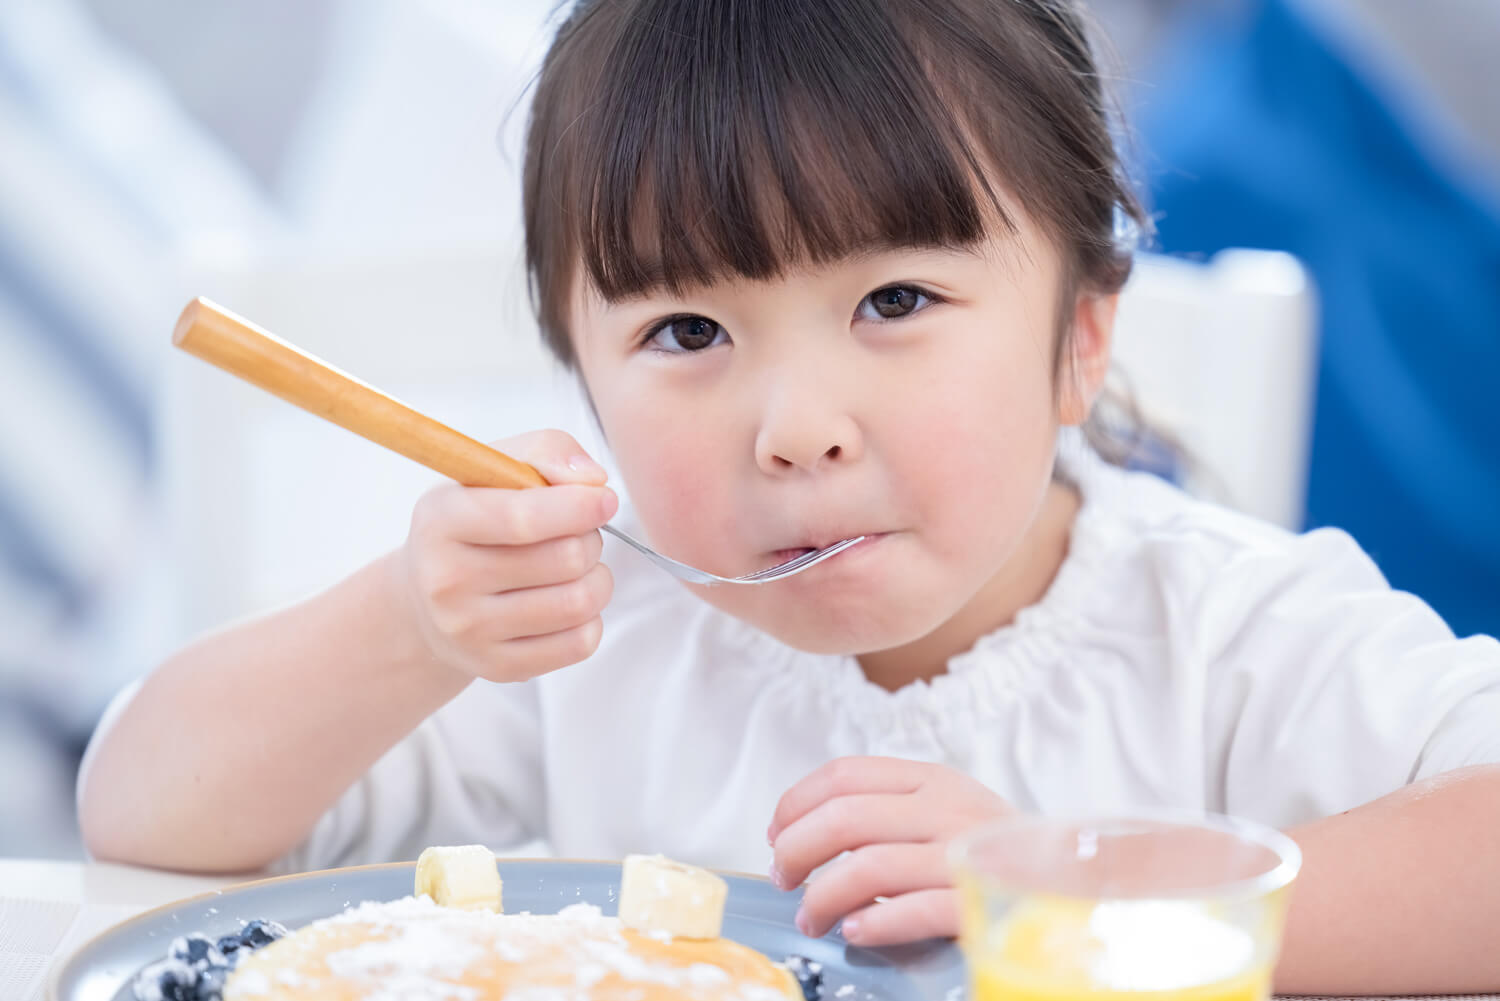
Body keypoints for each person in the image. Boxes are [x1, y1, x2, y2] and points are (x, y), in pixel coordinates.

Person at [77, 0, 1500, 992]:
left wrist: (1092, 894)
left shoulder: (1220, 630)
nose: (797, 430)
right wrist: (404, 625)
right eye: (686, 335)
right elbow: (145, 816)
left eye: (894, 297)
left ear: (1079, 340)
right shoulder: (583, 644)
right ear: (582, 379)